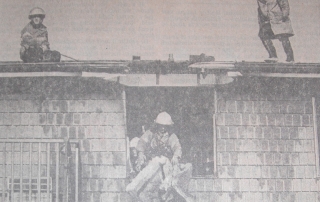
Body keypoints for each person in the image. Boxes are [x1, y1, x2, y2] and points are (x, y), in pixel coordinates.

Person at [126, 112, 194, 202]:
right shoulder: (150, 133)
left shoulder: (171, 136)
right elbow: (142, 142)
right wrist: (141, 154)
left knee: (169, 178)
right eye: (161, 125)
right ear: (157, 125)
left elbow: (177, 147)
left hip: (166, 165)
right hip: (152, 164)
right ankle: (134, 188)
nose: (163, 128)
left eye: (165, 126)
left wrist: (176, 156)